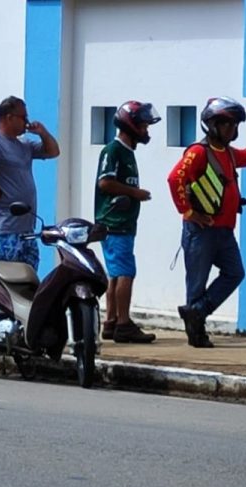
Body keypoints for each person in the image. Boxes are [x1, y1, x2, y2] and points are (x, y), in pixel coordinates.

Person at [167, 96, 246, 348]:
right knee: (197, 283)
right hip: (201, 231)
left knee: (235, 272)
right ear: (212, 125)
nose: (233, 130)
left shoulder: (229, 154)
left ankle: (197, 311)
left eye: (234, 125)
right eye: (228, 124)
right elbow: (174, 178)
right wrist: (188, 212)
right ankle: (197, 333)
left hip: (224, 230)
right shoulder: (199, 152)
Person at [0, 96, 60, 270]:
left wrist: (43, 133)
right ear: (9, 118)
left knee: (28, 283)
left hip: (26, 231)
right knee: (3, 282)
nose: (27, 122)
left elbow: (53, 151)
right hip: (4, 231)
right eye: (23, 117)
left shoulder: (24, 145)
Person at [95, 101, 161, 344]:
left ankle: (111, 321)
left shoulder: (127, 153)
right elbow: (105, 183)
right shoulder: (113, 151)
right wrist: (136, 193)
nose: (146, 130)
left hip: (123, 223)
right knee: (125, 273)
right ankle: (124, 323)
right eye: (143, 125)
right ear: (130, 126)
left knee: (115, 274)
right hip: (115, 222)